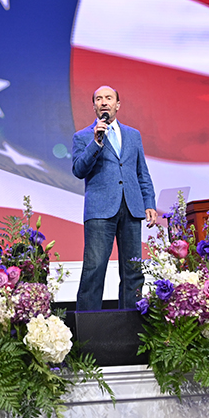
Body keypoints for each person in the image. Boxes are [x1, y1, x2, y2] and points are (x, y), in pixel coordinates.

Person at [71, 86, 158, 311]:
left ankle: (130, 327)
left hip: (131, 207)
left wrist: (149, 203)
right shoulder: (83, 136)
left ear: (117, 104)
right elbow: (79, 170)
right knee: (95, 268)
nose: (104, 102)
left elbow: (142, 172)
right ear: (94, 106)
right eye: (99, 99)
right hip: (100, 210)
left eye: (109, 98)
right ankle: (88, 330)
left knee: (133, 271)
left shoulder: (133, 135)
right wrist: (96, 142)